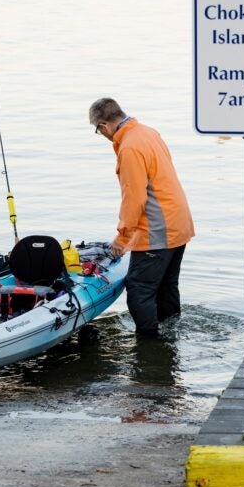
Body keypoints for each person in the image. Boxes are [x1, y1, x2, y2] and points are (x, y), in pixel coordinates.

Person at [89, 97, 194, 338]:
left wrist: (122, 238)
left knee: (139, 290)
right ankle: (171, 336)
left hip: (158, 229)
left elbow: (134, 198)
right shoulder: (148, 133)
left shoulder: (129, 148)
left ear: (104, 126)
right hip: (179, 222)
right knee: (167, 285)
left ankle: (149, 346)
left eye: (98, 131)